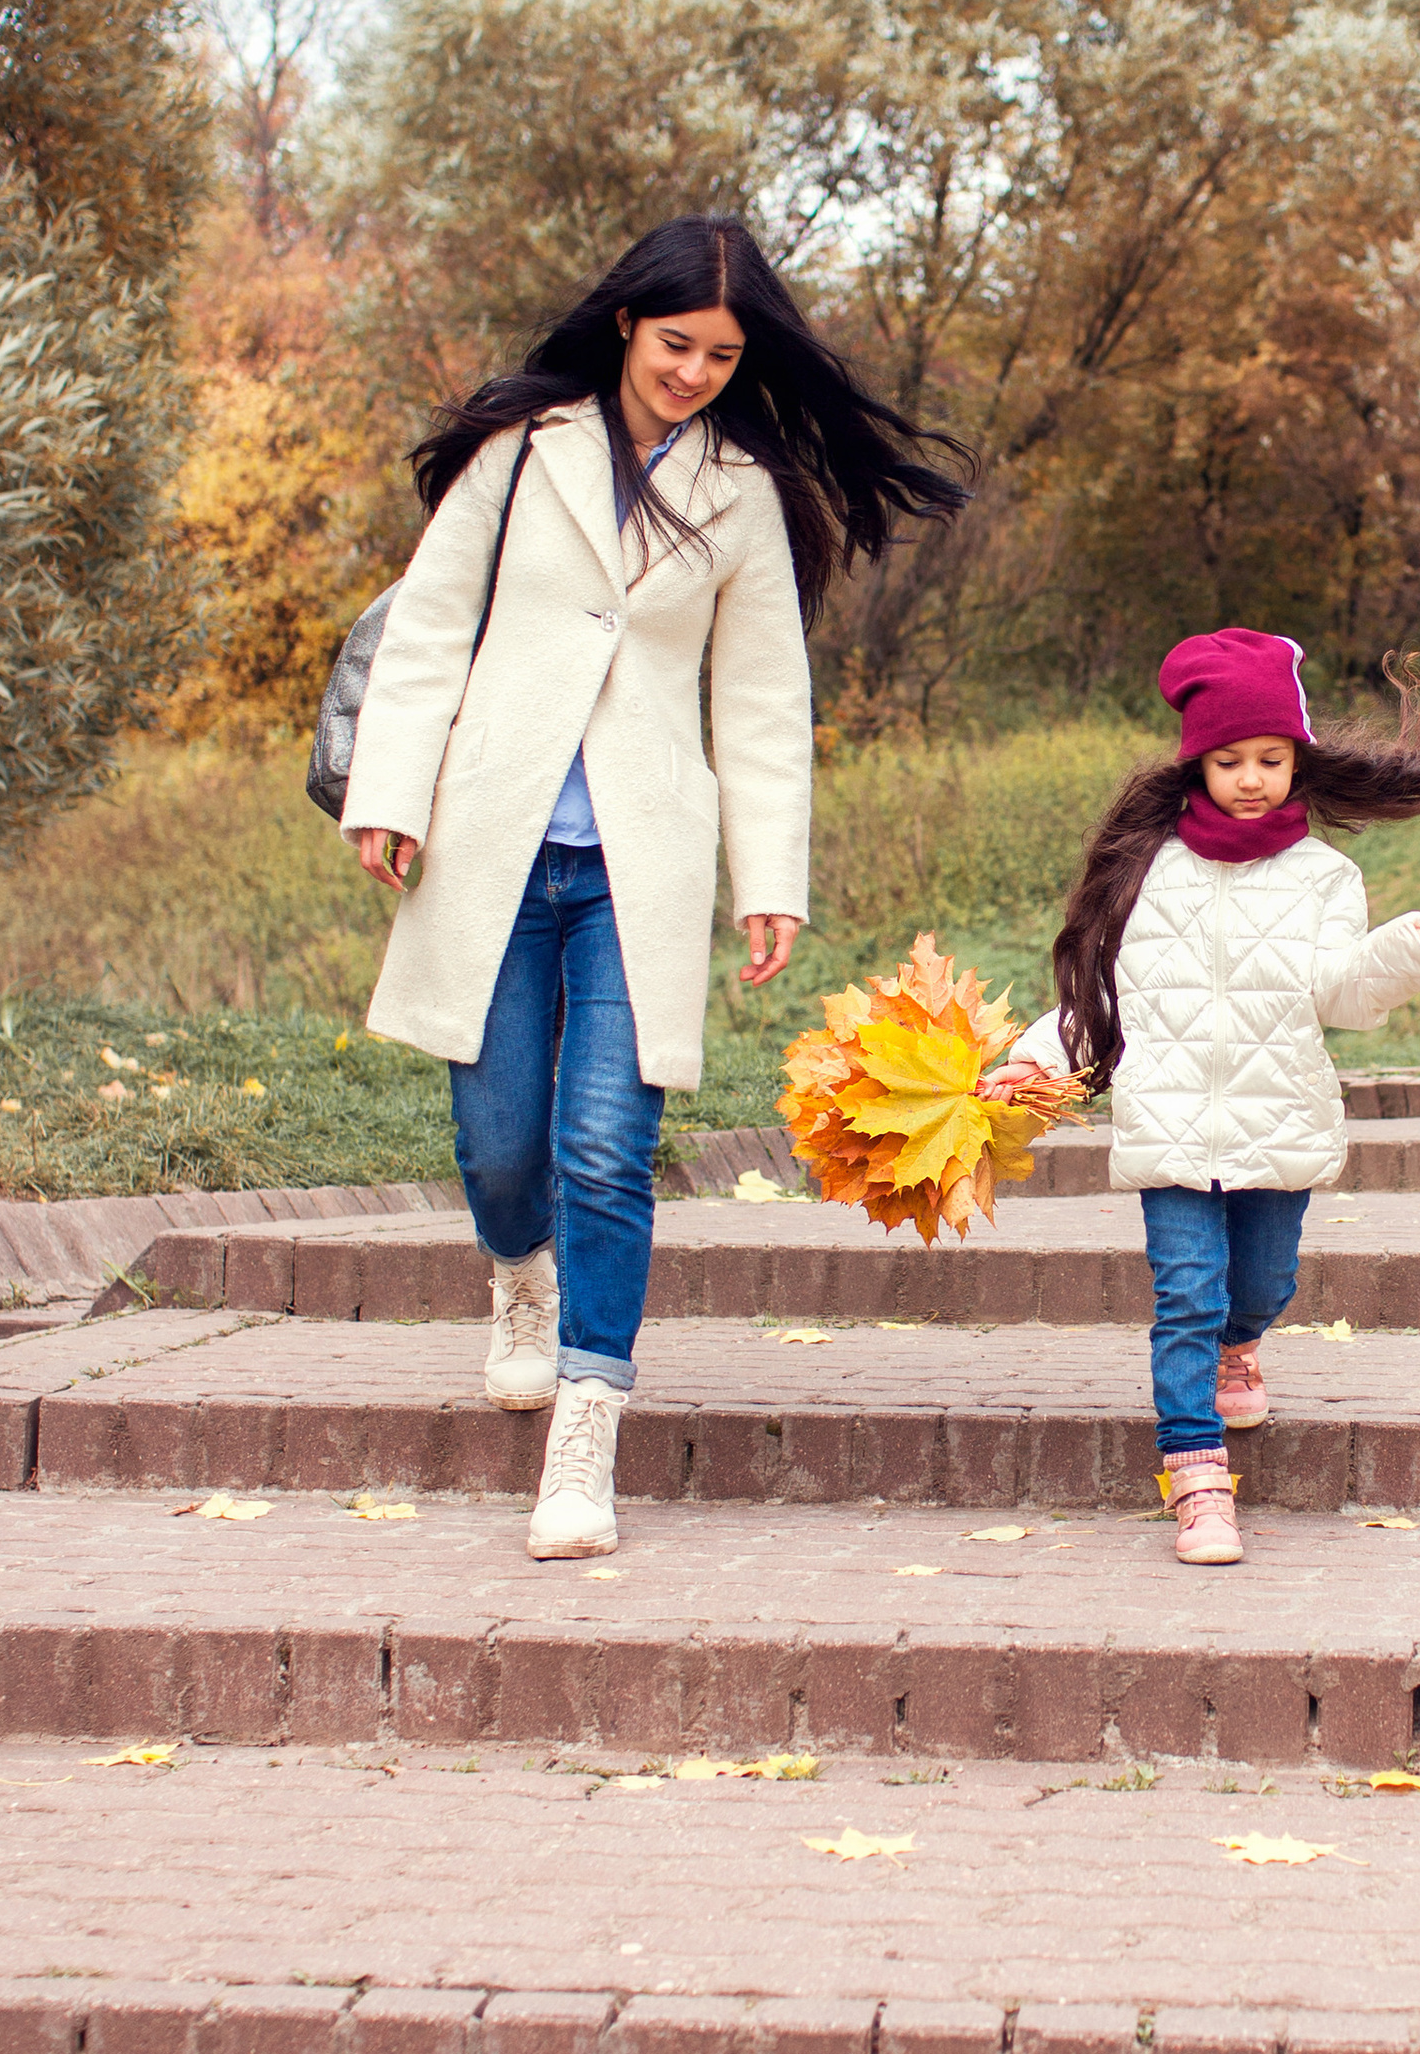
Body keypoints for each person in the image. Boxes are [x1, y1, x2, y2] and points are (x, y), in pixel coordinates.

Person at [340, 211, 965, 1561]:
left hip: (642, 862)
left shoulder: (742, 493)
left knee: (609, 1151)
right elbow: (433, 621)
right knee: (502, 1146)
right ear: (626, 322)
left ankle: (588, 1417)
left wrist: (770, 877)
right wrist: (389, 794)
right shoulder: (521, 451)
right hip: (488, 846)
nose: (693, 371)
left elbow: (757, 698)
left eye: (722, 354)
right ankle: (519, 1276)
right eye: (677, 342)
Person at [995, 632, 1420, 1564]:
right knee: (1183, 1294)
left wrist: (1415, 949)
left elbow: (1345, 992)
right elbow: (1103, 996)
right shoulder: (1146, 870)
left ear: (1297, 760)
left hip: (1279, 1119)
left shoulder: (1323, 877)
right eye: (1229, 762)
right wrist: (1037, 1058)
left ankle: (1243, 1342)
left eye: (1271, 760)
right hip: (1171, 1125)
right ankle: (1197, 1479)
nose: (1252, 778)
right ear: (1197, 762)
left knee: (1262, 1285)